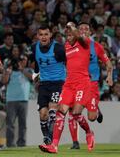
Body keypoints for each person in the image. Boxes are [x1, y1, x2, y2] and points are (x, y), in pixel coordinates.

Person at [39, 22, 95, 154]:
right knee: (61, 111)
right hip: (69, 84)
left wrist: (71, 26)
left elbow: (80, 37)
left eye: (70, 35)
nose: (68, 37)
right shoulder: (66, 47)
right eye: (67, 35)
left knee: (75, 112)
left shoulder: (84, 42)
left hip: (82, 83)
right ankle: (54, 146)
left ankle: (88, 132)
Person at [67, 22, 113, 149]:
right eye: (80, 29)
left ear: (90, 32)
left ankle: (95, 110)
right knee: (73, 112)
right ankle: (75, 142)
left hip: (91, 84)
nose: (83, 31)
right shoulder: (72, 45)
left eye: (86, 29)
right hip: (76, 83)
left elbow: (108, 63)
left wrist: (109, 76)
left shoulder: (96, 47)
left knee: (92, 117)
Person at [30, 25, 66, 145]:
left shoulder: (59, 48)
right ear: (37, 36)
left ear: (50, 35)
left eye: (46, 34)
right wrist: (35, 75)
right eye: (41, 35)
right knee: (43, 114)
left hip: (58, 83)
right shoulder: (34, 47)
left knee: (52, 111)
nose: (44, 37)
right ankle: (46, 136)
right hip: (44, 84)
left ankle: (50, 138)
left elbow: (68, 62)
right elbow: (36, 62)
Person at [2, 55, 33, 147]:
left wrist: (22, 69)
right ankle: (10, 143)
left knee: (22, 124)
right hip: (11, 100)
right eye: (19, 61)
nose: (20, 63)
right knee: (10, 123)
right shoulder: (9, 71)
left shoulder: (28, 70)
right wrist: (8, 72)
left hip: (23, 100)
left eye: (22, 61)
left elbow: (32, 78)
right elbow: (4, 81)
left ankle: (21, 143)